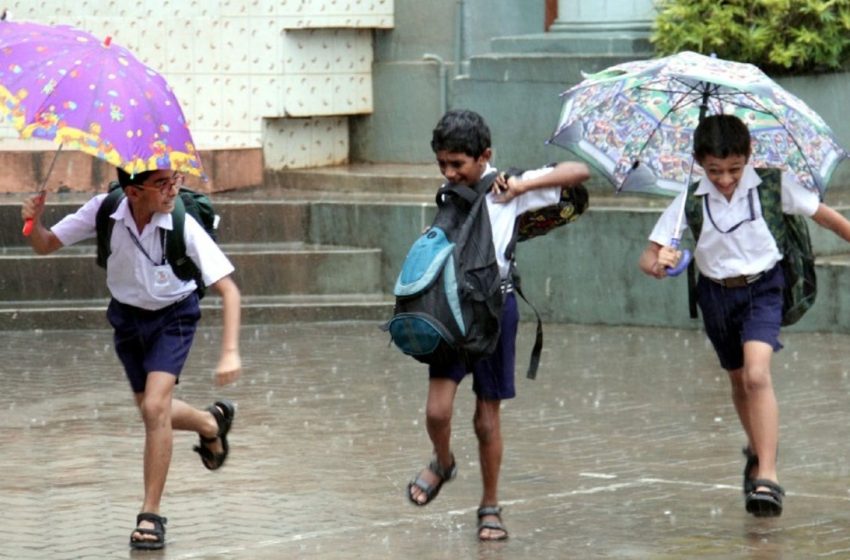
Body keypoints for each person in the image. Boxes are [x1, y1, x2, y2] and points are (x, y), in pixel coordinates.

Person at [638, 114, 850, 517]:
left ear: (748, 158)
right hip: (715, 296)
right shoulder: (689, 197)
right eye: (714, 170)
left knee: (756, 374)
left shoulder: (772, 183)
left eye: (734, 169)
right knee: (737, 378)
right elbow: (647, 257)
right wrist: (659, 262)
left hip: (764, 289)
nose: (724, 178)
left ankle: (768, 476)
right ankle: (756, 448)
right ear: (699, 162)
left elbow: (823, 214)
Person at [21, 168, 242, 549]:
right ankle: (210, 422)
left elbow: (229, 290)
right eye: (162, 184)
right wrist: (32, 221)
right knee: (151, 410)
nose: (173, 189)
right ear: (133, 192)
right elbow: (45, 244)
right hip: (127, 319)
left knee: (156, 407)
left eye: (174, 179)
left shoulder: (181, 224)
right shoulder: (104, 210)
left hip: (174, 316)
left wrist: (230, 352)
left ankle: (150, 515)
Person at [406, 109, 589, 541]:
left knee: (487, 420)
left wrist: (522, 184)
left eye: (458, 164)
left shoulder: (509, 188)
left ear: (484, 155)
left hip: (495, 313)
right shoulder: (449, 193)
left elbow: (578, 171)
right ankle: (443, 461)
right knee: (437, 411)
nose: (449, 173)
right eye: (442, 164)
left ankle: (490, 503)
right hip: (449, 312)